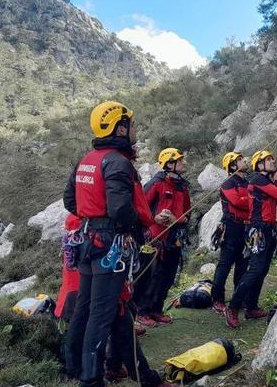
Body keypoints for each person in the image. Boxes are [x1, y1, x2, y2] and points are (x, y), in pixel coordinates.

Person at [61, 101, 170, 387]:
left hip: (87, 241)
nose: (134, 129)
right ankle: (91, 379)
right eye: (131, 125)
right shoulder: (118, 162)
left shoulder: (87, 159)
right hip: (110, 245)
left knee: (97, 308)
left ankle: (79, 366)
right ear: (119, 127)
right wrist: (136, 228)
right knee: (102, 313)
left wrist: (92, 216)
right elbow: (120, 208)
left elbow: (70, 201)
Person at [224, 150, 277, 329]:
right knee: (255, 269)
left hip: (268, 228)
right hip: (259, 229)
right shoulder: (258, 180)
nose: (273, 161)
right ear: (259, 165)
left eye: (272, 158)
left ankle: (251, 307)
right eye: (268, 160)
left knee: (262, 269)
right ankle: (234, 307)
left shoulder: (266, 180)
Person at [136, 148, 192, 324]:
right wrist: (155, 218)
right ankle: (141, 311)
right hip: (155, 237)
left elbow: (188, 215)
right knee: (151, 276)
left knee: (167, 276)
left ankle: (156, 309)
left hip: (174, 238)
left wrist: (177, 219)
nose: (183, 162)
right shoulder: (156, 183)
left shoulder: (183, 187)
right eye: (180, 160)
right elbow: (140, 207)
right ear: (169, 164)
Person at [210, 151, 251, 315]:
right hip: (231, 227)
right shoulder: (228, 183)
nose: (244, 161)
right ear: (233, 165)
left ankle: (237, 298)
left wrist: (247, 199)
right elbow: (237, 202)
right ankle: (217, 299)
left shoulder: (246, 182)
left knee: (242, 263)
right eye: (240, 160)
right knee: (225, 264)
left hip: (245, 227)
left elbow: (245, 201)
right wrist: (252, 199)